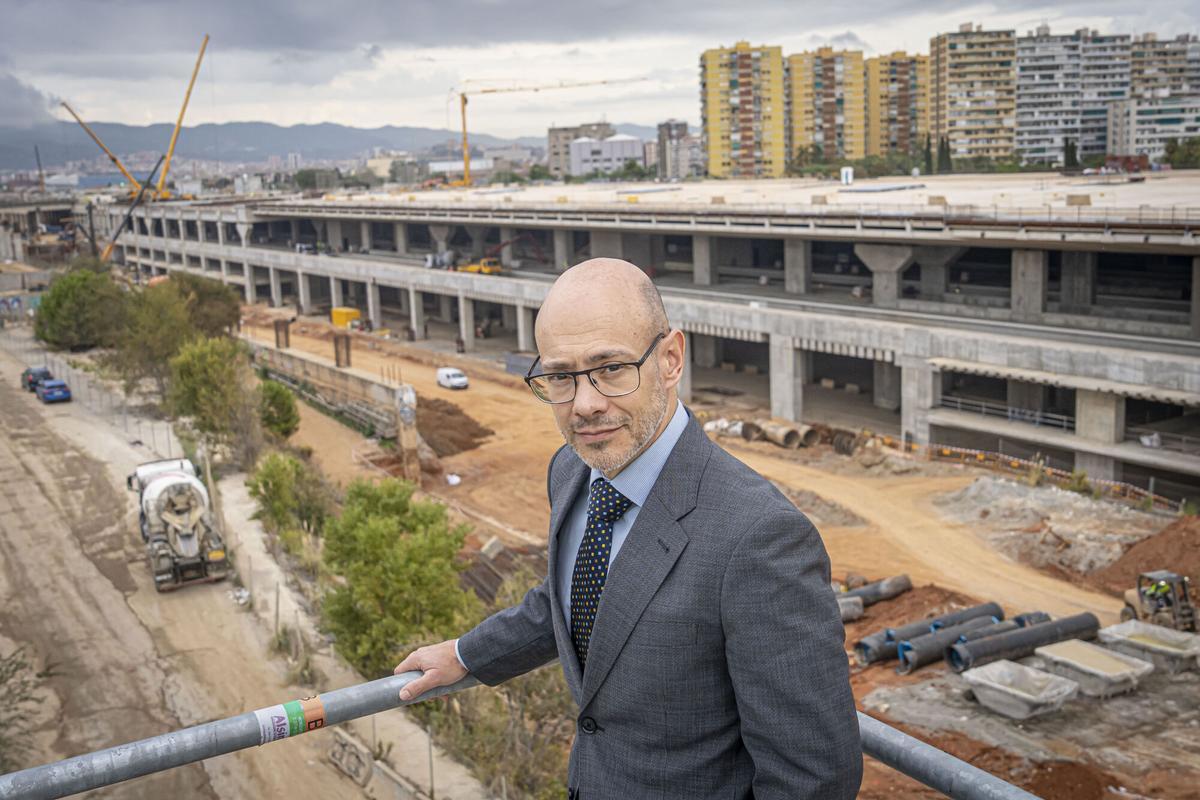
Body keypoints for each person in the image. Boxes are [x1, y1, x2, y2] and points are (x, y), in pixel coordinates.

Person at [395, 258, 861, 798]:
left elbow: (813, 779)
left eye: (611, 368)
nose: (586, 404)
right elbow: (569, 599)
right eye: (560, 377)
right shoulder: (571, 469)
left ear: (670, 359)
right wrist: (465, 655)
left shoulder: (759, 538)